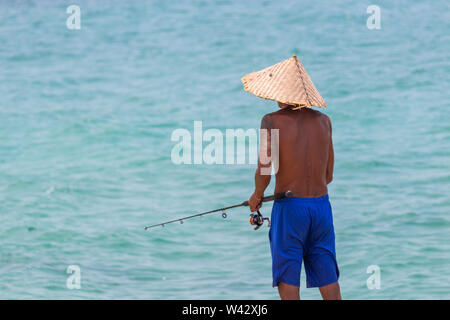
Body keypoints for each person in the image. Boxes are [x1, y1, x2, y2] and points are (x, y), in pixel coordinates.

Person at [242, 55, 341, 300]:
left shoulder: (271, 121)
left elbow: (265, 168)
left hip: (290, 209)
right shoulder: (324, 121)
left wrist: (256, 196)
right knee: (328, 279)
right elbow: (328, 175)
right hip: (321, 208)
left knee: (288, 278)